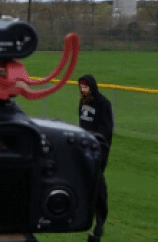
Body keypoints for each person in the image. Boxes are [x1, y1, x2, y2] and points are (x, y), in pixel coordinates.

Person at [78, 74, 114, 242]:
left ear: (92, 87)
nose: (83, 90)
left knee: (98, 184)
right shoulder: (82, 103)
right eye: (81, 88)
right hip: (84, 148)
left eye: (86, 87)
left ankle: (99, 223)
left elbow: (106, 130)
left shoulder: (103, 104)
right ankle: (85, 218)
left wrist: (96, 143)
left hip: (98, 150)